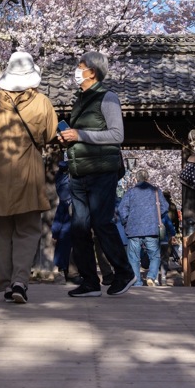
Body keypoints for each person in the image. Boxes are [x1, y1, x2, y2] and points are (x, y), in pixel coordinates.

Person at [0, 51, 59, 304]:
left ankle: (4, 283)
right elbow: (49, 134)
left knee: (2, 231)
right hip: (27, 170)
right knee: (27, 230)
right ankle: (19, 282)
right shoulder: (42, 101)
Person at [60, 51, 135, 298]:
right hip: (78, 170)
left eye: (80, 66)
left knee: (102, 222)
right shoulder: (79, 99)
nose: (77, 70)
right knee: (79, 227)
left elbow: (117, 135)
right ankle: (90, 281)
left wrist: (80, 135)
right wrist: (69, 137)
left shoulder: (108, 97)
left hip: (102, 170)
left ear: (92, 71)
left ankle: (124, 272)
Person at [117, 170, 170, 286]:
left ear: (136, 179)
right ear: (148, 178)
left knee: (133, 256)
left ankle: (137, 281)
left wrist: (126, 221)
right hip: (151, 228)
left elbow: (122, 209)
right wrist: (155, 216)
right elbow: (165, 207)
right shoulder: (156, 191)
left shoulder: (130, 192)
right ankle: (151, 276)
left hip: (134, 229)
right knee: (154, 255)